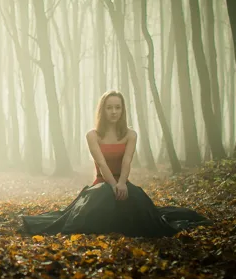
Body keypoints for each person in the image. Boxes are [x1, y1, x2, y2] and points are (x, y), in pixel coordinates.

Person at [20, 90, 211, 237]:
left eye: (117, 107)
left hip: (122, 184)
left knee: (143, 209)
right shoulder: (93, 135)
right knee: (97, 204)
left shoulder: (130, 134)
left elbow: (127, 161)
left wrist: (121, 184)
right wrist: (112, 185)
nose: (113, 111)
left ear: (122, 109)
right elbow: (101, 163)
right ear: (102, 110)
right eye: (109, 107)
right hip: (101, 185)